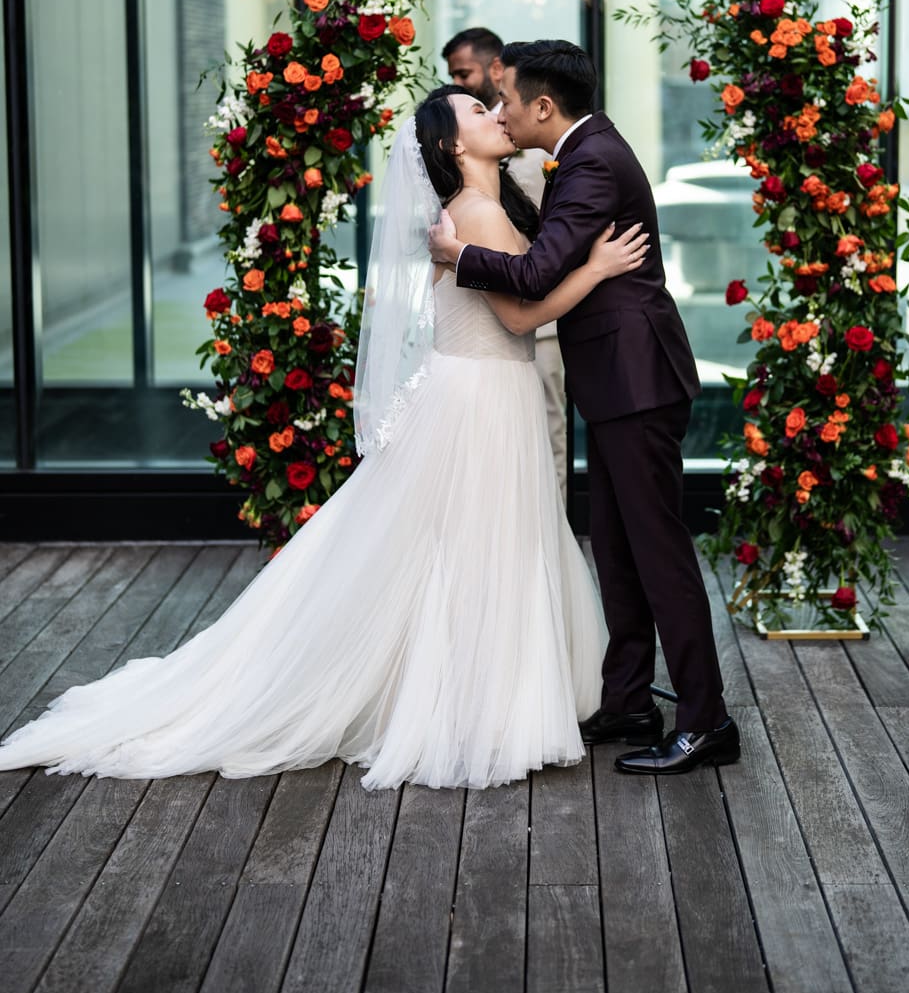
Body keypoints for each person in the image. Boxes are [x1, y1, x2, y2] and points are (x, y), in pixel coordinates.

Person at [0, 87, 649, 792]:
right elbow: (521, 322)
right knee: (472, 546)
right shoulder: (479, 213)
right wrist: (597, 269)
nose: (497, 111)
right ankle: (472, 703)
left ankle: (485, 689)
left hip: (492, 392)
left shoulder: (490, 209)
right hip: (478, 398)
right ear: (453, 146)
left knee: (476, 544)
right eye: (476, 111)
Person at [429, 41, 740, 776]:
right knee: (620, 546)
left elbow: (536, 273)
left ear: (543, 107)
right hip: (614, 379)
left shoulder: (592, 161)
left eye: (506, 100)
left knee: (658, 553)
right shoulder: (585, 151)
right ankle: (630, 700)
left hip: (636, 379)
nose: (500, 111)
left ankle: (707, 721)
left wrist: (457, 257)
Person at [443, 27, 568, 496]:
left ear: (495, 68)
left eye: (464, 73)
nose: (458, 82)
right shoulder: (472, 201)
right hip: (499, 334)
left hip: (543, 322)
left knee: (545, 439)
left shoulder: (531, 137)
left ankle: (552, 524)